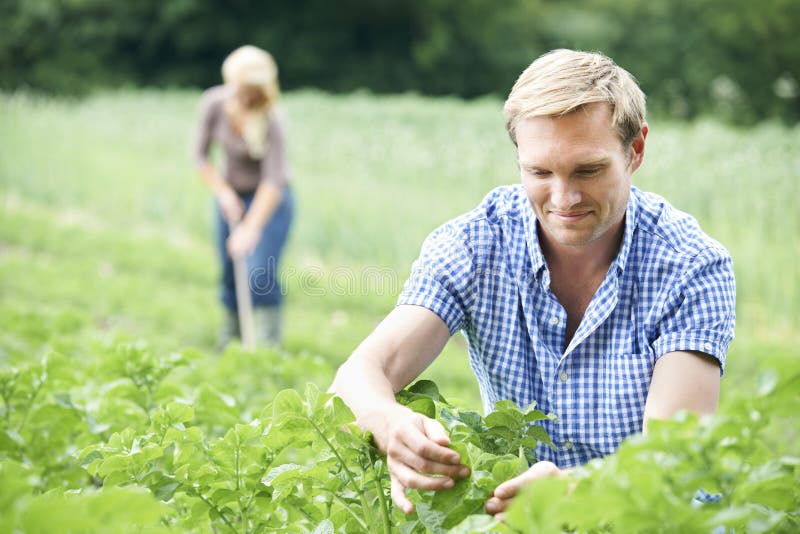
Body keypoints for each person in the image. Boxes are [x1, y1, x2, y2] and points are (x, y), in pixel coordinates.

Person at [331, 49, 735, 517]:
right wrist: (387, 420)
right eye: (540, 172)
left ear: (636, 149)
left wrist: (583, 489)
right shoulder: (476, 243)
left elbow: (671, 461)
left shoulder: (691, 265)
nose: (564, 198)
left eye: (588, 170)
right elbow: (358, 375)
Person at [195, 45, 294, 347]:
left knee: (259, 273)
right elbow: (200, 157)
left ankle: (266, 346)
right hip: (230, 197)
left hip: (269, 201)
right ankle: (231, 342)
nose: (247, 96)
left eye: (253, 89)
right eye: (242, 88)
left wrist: (251, 228)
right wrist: (224, 194)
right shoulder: (214, 103)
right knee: (228, 271)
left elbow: (273, 180)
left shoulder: (273, 117)